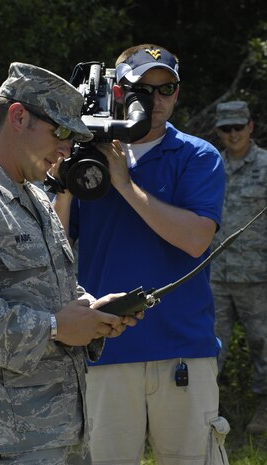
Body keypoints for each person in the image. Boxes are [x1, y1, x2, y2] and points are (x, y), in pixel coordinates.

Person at [54, 44, 230, 465]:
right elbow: (58, 242)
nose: (154, 101)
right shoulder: (87, 155)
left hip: (183, 350)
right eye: (141, 89)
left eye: (165, 88)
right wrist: (63, 178)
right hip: (105, 349)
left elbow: (195, 239)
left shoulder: (197, 156)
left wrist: (123, 182)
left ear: (177, 93)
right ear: (117, 90)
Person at [0, 62, 140, 465]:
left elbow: (54, 289)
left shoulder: (38, 197)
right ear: (18, 116)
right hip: (16, 433)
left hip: (67, 425)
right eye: (59, 132)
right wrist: (57, 327)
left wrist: (92, 312)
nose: (65, 149)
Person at [211, 100, 267, 434]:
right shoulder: (209, 165)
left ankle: (264, 408)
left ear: (250, 127)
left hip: (258, 277)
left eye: (238, 127)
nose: (232, 134)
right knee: (209, 346)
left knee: (264, 344)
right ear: (219, 131)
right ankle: (206, 408)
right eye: (226, 128)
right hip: (215, 274)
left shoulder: (265, 165)